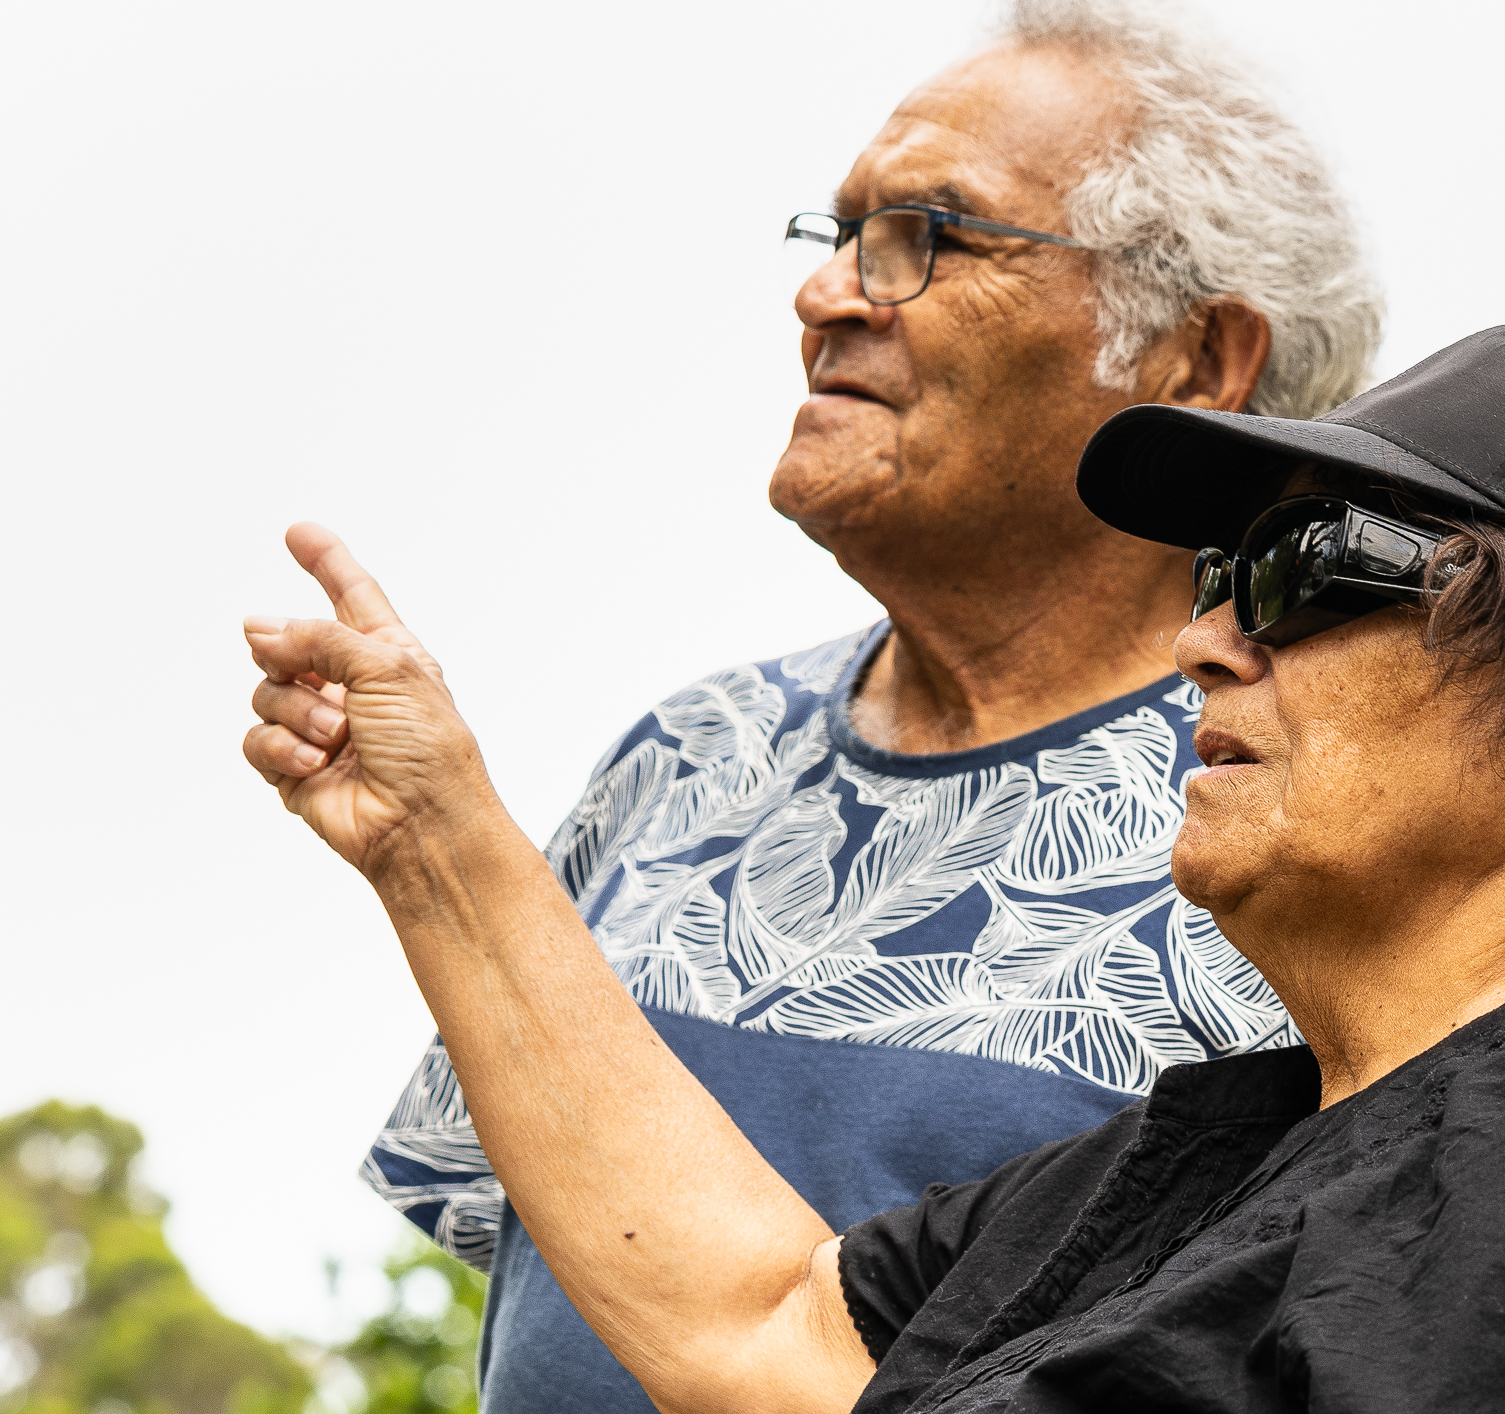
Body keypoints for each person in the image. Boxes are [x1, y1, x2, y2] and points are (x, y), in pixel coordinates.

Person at [243, 322, 1505, 1411]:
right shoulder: (1221, 1145)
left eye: (1308, 570)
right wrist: (434, 841)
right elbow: (765, 1329)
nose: (1206, 638)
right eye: (1218, 574)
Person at [325, 0, 1379, 1402]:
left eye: (928, 236)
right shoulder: (686, 753)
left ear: (1199, 359)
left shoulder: (1297, 820)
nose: (825, 296)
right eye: (838, 235)